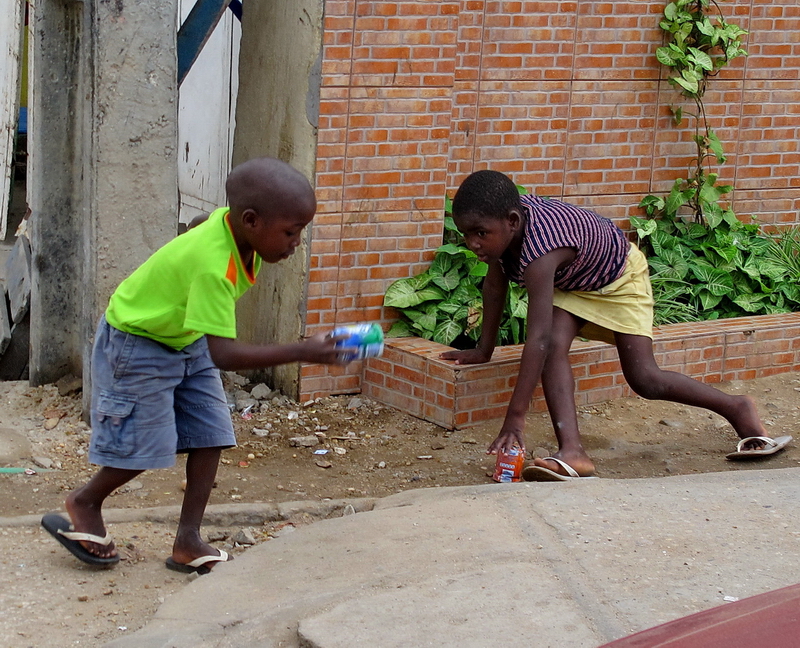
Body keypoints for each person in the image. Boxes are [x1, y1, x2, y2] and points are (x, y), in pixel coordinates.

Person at [42, 157, 351, 572]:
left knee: (210, 433)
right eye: (291, 232)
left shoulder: (235, 230)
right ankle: (86, 500)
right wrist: (303, 350)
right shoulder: (214, 266)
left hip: (186, 336)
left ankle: (188, 540)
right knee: (144, 443)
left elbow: (205, 219)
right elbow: (224, 355)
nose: (297, 243)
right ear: (252, 221)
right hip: (139, 340)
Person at [440, 170, 792, 481]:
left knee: (645, 379)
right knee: (555, 350)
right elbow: (494, 286)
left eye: (480, 233)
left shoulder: (540, 252)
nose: (473, 244)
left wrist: (515, 419)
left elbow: (539, 338)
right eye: (466, 235)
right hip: (576, 281)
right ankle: (573, 453)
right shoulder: (506, 230)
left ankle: (738, 408)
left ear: (513, 221)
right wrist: (483, 351)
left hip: (619, 276)